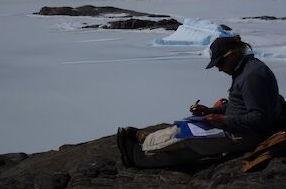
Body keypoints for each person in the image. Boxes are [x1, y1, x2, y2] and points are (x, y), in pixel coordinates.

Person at [117, 35, 284, 168]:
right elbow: (240, 106)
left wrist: (224, 120)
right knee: (189, 137)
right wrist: (213, 112)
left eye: (220, 63)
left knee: (187, 137)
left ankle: (146, 144)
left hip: (246, 135)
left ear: (232, 55)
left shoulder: (251, 76)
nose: (219, 68)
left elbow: (260, 119)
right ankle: (141, 154)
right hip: (237, 127)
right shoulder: (244, 69)